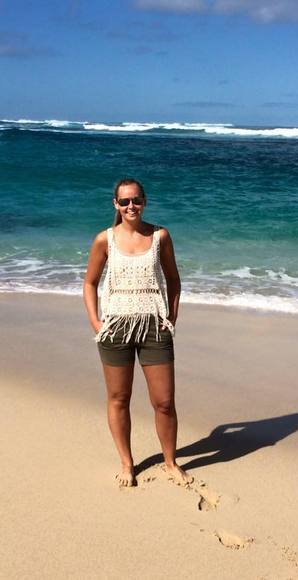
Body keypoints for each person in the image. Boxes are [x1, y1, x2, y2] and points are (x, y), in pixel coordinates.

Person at [83, 178, 192, 487]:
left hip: (154, 327)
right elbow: (90, 283)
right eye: (124, 201)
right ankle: (127, 463)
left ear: (144, 201)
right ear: (116, 205)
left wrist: (171, 318)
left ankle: (170, 462)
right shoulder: (104, 240)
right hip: (115, 328)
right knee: (119, 398)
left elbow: (173, 279)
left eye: (136, 200)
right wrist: (96, 323)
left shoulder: (160, 236)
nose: (131, 206)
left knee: (164, 401)